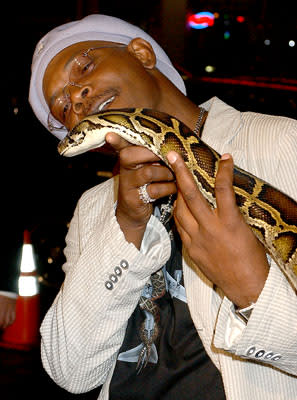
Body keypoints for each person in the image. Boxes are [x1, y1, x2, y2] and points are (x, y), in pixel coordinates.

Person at [29, 14, 297, 400]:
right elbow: (72, 370)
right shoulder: (92, 209)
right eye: (61, 109)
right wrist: (124, 230)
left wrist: (252, 287)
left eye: (84, 66)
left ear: (141, 53)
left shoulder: (281, 143)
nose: (75, 97)